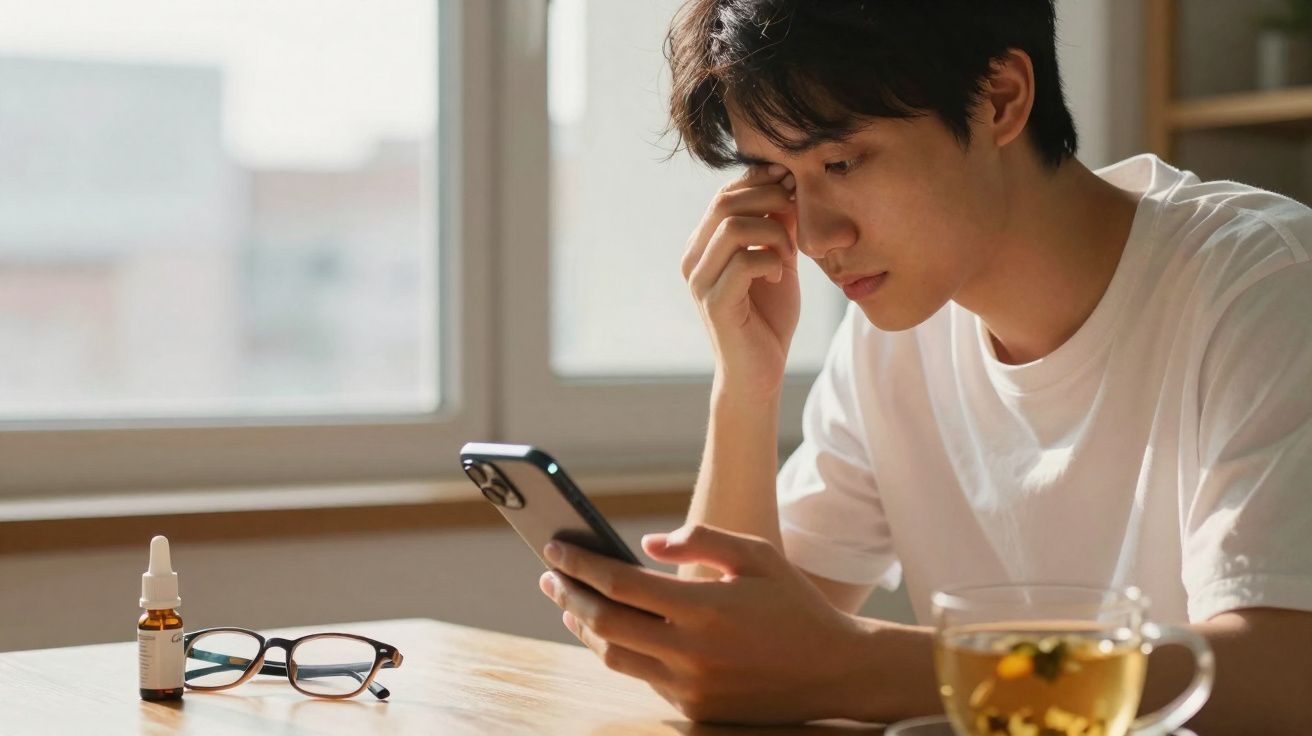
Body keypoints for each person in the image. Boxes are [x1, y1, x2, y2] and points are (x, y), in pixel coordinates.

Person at [535, 1, 1312, 731]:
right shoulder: (893, 332)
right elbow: (730, 662)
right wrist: (745, 380)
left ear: (1001, 99)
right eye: (781, 182)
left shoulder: (1263, 283)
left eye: (840, 162)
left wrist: (857, 667)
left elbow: (1286, 674)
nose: (815, 237)